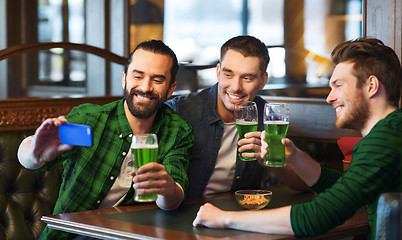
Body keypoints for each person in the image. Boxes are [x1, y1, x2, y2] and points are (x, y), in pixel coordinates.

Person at [192, 37, 402, 240]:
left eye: (338, 85)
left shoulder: (383, 141)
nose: (329, 97)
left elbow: (318, 215)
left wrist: (224, 218)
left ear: (371, 86)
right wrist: (295, 156)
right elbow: (341, 186)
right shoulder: (391, 131)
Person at [17, 40, 194, 239]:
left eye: (158, 80)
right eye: (138, 76)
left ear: (171, 89)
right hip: (68, 236)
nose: (145, 87)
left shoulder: (177, 130)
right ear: (124, 79)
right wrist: (35, 153)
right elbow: (29, 158)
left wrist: (167, 188)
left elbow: (174, 199)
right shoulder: (91, 121)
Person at [166, 35, 306, 197]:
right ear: (218, 72)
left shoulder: (268, 117)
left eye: (247, 78)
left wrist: (271, 161)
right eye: (228, 75)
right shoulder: (181, 110)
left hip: (240, 212)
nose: (236, 87)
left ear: (262, 81)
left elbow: (302, 183)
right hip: (186, 211)